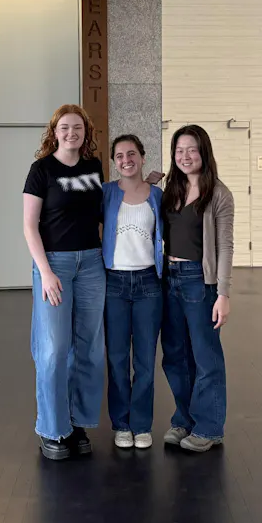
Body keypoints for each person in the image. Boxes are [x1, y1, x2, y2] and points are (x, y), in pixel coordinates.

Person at [22, 105, 106, 461]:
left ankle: (77, 423)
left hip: (91, 263)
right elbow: (29, 225)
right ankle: (52, 428)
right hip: (54, 264)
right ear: (54, 132)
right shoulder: (41, 170)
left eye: (78, 127)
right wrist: (45, 272)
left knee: (88, 348)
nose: (72, 133)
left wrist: (143, 185)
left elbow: (108, 207)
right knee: (54, 349)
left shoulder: (94, 168)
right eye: (65, 127)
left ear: (86, 132)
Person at [160, 124, 234, 453]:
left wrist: (223, 293)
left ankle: (209, 427)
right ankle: (185, 420)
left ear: (203, 152)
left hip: (198, 280)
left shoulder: (218, 193)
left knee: (206, 357)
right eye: (179, 150)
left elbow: (226, 247)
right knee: (175, 356)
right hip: (169, 277)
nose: (185, 156)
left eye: (191, 149)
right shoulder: (170, 190)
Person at [101, 134, 164, 450]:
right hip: (113, 284)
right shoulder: (107, 193)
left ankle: (141, 425)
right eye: (119, 156)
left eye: (131, 154)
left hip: (149, 285)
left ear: (142, 156)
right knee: (116, 359)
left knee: (144, 360)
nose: (126, 160)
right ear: (114, 161)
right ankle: (121, 424)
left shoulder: (157, 195)